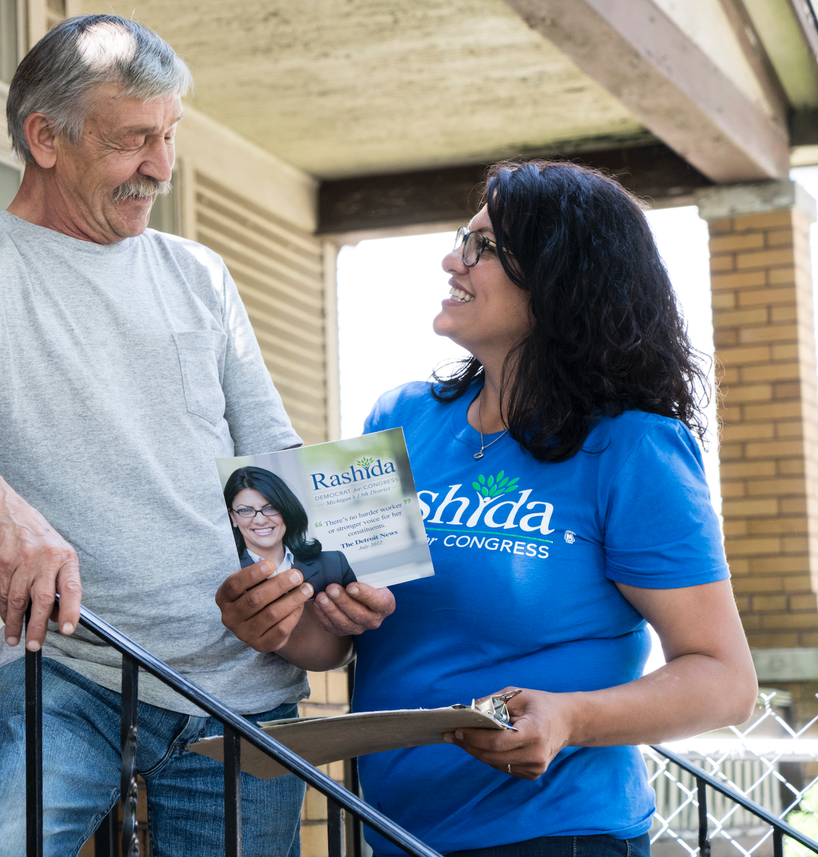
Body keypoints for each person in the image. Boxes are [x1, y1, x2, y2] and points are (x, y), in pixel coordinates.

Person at [0, 15, 386, 856]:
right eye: (134, 140)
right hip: (68, 678)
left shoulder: (200, 276)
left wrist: (323, 595)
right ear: (45, 137)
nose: (160, 166)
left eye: (170, 135)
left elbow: (277, 471)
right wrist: (2, 511)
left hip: (241, 690)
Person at [217, 161, 757, 856]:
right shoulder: (402, 417)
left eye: (483, 247)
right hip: (393, 832)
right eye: (460, 238)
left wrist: (570, 718)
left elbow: (724, 677)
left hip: (556, 831)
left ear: (563, 280)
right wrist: (275, 619)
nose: (451, 260)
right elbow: (340, 634)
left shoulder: (635, 448)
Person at [224, 465, 356, 591]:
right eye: (246, 510)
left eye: (270, 508)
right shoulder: (227, 576)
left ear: (286, 510)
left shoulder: (334, 564)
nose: (260, 520)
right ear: (233, 518)